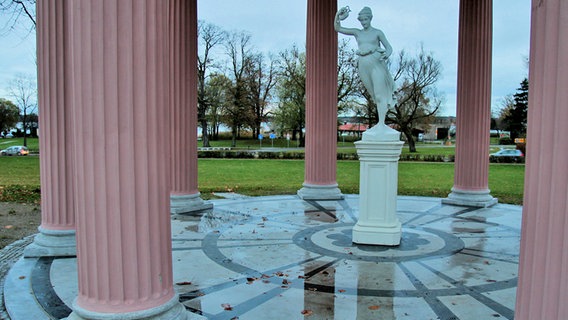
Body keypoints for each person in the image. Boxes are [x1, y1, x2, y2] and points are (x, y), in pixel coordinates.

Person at [335, 6, 398, 139]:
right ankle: (379, 122)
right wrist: (338, 16)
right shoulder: (358, 32)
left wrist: (386, 54)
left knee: (380, 94)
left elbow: (389, 47)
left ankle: (381, 123)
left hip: (376, 63)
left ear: (370, 18)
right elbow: (338, 28)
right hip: (363, 65)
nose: (363, 22)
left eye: (365, 19)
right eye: (361, 20)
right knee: (373, 95)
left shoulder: (377, 33)